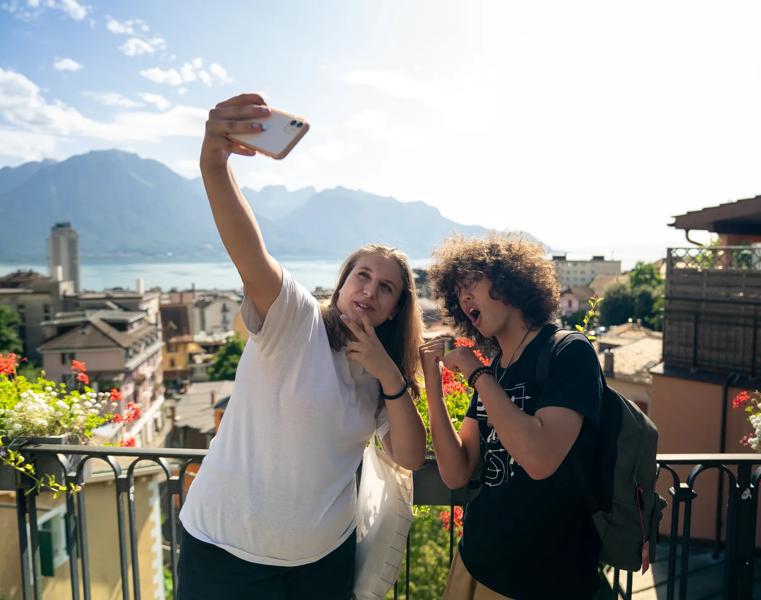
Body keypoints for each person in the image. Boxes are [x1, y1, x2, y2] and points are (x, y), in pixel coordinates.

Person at [177, 93, 427, 600]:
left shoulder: (380, 376)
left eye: (386, 288)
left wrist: (390, 376)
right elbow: (250, 251)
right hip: (226, 555)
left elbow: (410, 455)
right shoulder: (297, 321)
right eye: (362, 276)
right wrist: (214, 163)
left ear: (395, 309)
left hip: (323, 563)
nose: (370, 291)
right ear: (340, 285)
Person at [419, 235, 603, 599]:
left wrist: (476, 375)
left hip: (542, 576)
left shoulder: (567, 352)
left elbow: (539, 458)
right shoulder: (495, 370)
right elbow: (457, 471)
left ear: (510, 281)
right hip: (476, 560)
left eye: (471, 284)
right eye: (458, 293)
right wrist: (433, 385)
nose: (464, 298)